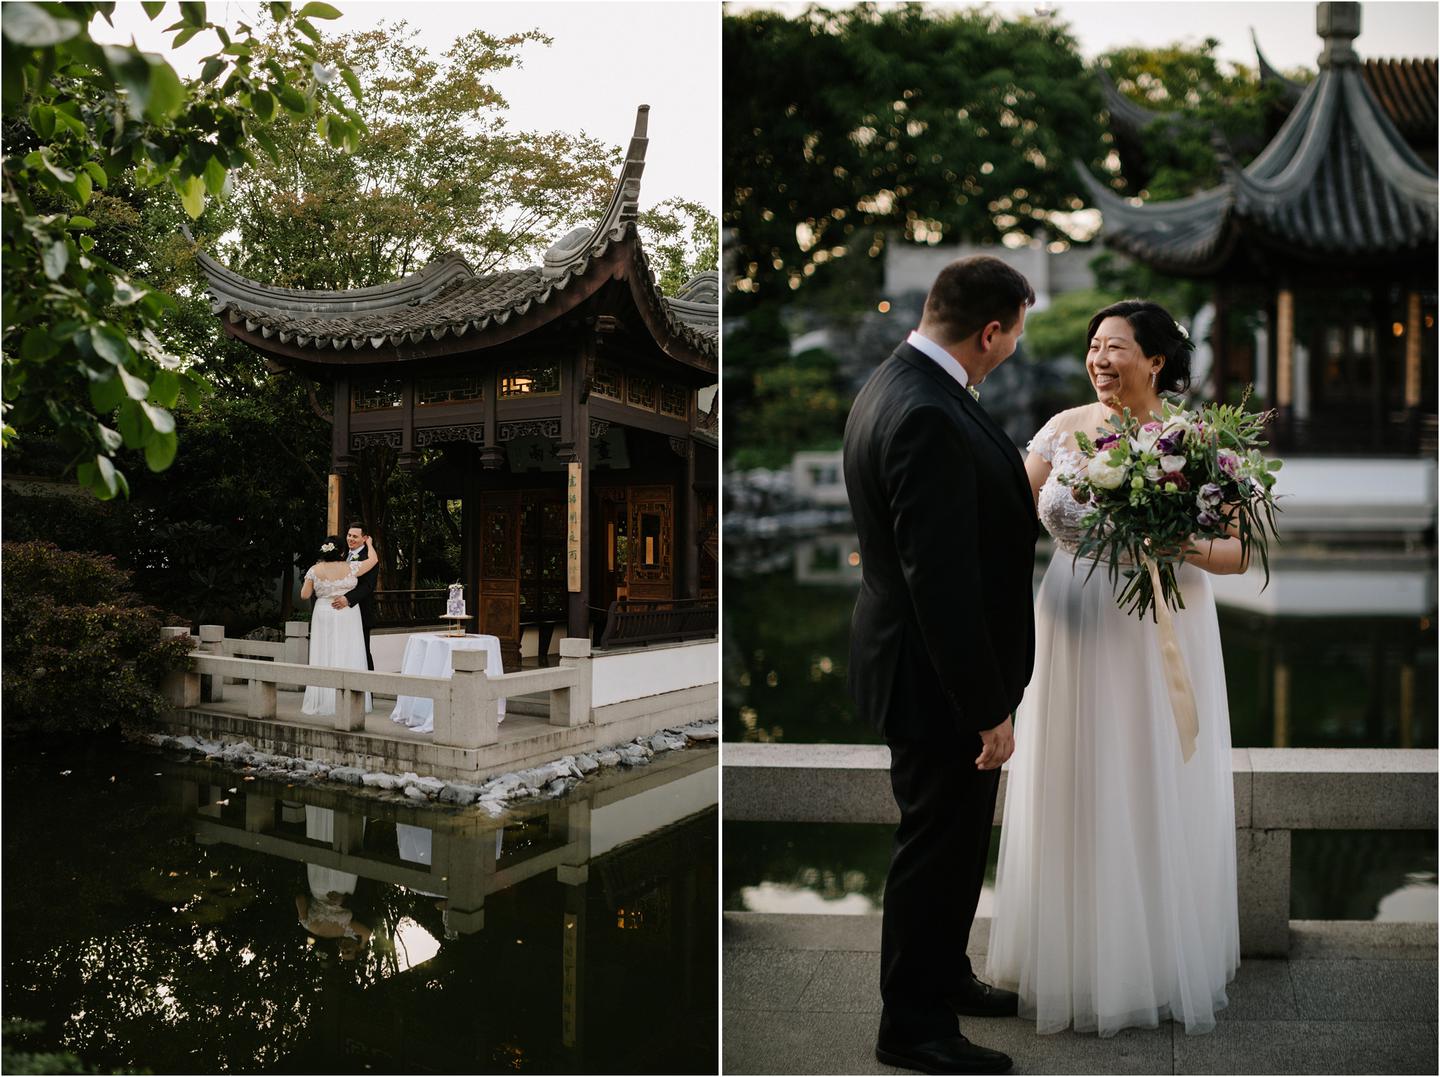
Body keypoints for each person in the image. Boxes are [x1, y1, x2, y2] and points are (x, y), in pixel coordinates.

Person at [986, 299, 1242, 1037]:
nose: (1099, 359)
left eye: (1116, 347)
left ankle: (1156, 960)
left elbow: (1237, 552)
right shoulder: (1063, 430)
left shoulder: (1199, 441)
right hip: (1074, 620)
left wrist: (1171, 540)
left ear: (1156, 360)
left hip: (1163, 620)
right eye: (1094, 347)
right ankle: (1072, 957)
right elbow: (1005, 519)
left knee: (1150, 770)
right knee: (1078, 772)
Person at [843, 255, 1038, 1076]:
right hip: (936, 680)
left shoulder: (896, 383)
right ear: (990, 332)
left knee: (954, 846)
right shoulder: (924, 410)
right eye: (1016, 333)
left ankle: (945, 976)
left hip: (919, 667)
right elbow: (942, 580)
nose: (1015, 347)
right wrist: (986, 706)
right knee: (935, 847)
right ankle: (913, 1024)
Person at [301, 532, 379, 716]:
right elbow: (374, 560)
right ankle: (349, 699)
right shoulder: (351, 567)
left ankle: (323, 698)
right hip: (347, 614)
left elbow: (304, 595)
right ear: (342, 552)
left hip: (323, 612)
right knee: (348, 651)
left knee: (324, 651)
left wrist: (312, 579)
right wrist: (370, 544)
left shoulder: (314, 569)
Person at [336, 522, 378, 670]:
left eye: (355, 536)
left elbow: (367, 586)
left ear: (365, 538)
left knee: (363, 651)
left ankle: (369, 691)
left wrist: (348, 599)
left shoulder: (368, 557)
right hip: (343, 613)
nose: (350, 539)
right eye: (349, 535)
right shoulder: (343, 555)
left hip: (360, 611)